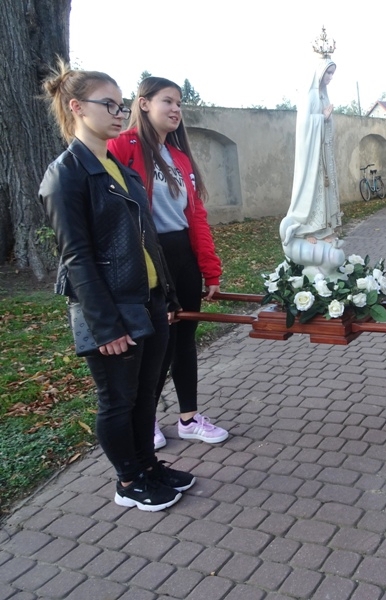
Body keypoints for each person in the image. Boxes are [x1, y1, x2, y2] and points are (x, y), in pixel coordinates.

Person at [39, 60, 195, 511]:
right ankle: (128, 481)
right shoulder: (66, 174)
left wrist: (167, 296)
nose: (119, 112)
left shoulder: (120, 170)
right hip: (111, 308)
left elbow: (147, 242)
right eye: (108, 104)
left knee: (146, 395)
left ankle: (148, 466)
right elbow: (76, 258)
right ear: (76, 107)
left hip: (148, 301)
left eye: (121, 104)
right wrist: (105, 326)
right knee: (118, 400)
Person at [108, 77, 228, 448]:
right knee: (156, 344)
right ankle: (147, 421)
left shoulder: (178, 157)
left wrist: (209, 269)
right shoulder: (122, 146)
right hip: (147, 257)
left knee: (184, 341)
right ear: (144, 103)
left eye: (179, 103)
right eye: (168, 101)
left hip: (182, 258)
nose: (176, 109)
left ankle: (189, 418)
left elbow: (196, 217)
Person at [279, 58, 345, 277]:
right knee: (314, 194)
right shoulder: (310, 95)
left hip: (323, 156)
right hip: (312, 158)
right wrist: (321, 118)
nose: (330, 78)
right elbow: (305, 124)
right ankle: (309, 229)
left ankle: (324, 230)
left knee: (325, 193)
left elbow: (326, 123)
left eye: (333, 73)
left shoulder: (324, 95)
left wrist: (327, 120)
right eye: (328, 73)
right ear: (319, 73)